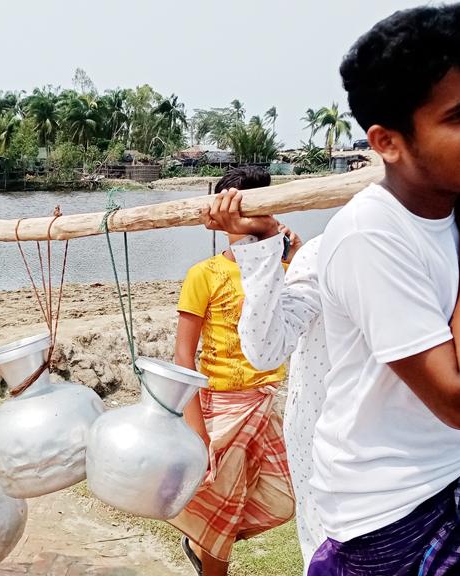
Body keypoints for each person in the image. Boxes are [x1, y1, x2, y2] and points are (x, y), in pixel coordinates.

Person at [201, 3, 460, 573]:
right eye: (458, 114)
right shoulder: (367, 235)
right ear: (388, 142)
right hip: (385, 520)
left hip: (456, 481)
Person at [170, 166, 297, 576]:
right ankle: (208, 548)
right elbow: (183, 356)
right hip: (222, 407)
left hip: (268, 403)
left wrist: (292, 250)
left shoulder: (282, 266)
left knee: (287, 497)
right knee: (223, 514)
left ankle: (199, 537)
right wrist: (196, 431)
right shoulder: (204, 274)